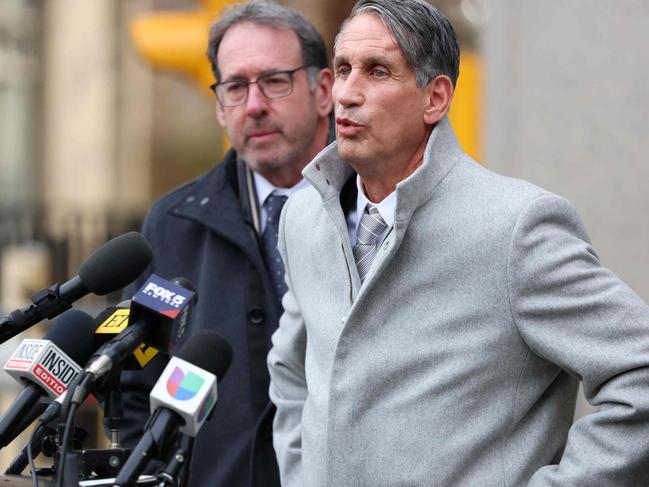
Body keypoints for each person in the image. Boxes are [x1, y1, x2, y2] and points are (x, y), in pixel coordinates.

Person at [267, 0, 649, 485]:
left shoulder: (516, 228)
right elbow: (291, 372)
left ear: (436, 98)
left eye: (377, 71)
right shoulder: (302, 218)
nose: (347, 93)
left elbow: (640, 372)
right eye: (342, 69)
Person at [119, 2, 333, 486]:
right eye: (235, 87)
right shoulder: (173, 224)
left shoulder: (376, 205)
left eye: (275, 81)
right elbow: (136, 376)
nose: (254, 105)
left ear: (324, 91)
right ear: (219, 107)